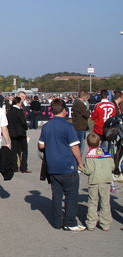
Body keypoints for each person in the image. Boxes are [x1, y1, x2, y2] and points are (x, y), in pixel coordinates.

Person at [38, 99, 85, 231]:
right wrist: (80, 163)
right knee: (71, 195)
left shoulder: (46, 126)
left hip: (53, 166)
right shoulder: (68, 127)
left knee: (56, 194)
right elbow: (75, 147)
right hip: (67, 165)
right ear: (64, 110)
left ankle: (57, 221)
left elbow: (41, 145)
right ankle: (70, 222)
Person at [82, 132, 115, 231]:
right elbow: (112, 166)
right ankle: (105, 224)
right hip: (106, 181)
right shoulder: (106, 153)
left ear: (88, 144)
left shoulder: (89, 155)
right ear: (99, 142)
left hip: (94, 181)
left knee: (93, 202)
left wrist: (82, 168)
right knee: (105, 203)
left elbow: (89, 170)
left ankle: (91, 223)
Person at [7, 96, 30, 173]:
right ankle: (23, 167)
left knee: (14, 151)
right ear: (19, 102)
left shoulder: (9, 111)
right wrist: (26, 128)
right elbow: (23, 122)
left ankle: (15, 167)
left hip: (12, 133)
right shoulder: (20, 111)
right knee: (24, 151)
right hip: (21, 133)